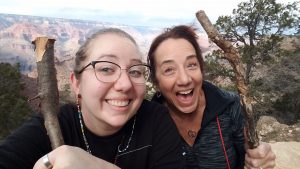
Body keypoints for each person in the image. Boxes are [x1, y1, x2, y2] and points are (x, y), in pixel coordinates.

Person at [0, 28, 185, 169]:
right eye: (106, 69)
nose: (125, 84)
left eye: (135, 71)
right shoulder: (51, 127)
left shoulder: (155, 120)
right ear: (76, 83)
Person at [147, 25, 276, 169]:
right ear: (156, 81)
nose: (184, 80)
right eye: (169, 70)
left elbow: (250, 154)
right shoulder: (149, 122)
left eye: (191, 65)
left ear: (201, 69)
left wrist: (260, 157)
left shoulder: (230, 106)